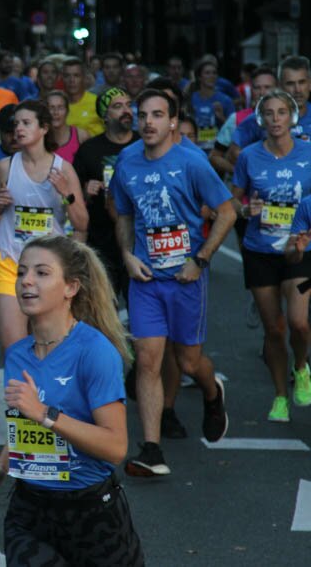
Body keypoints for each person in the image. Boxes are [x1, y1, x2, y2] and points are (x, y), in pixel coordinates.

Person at [0, 235, 144, 567]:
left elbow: (115, 447)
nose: (26, 281)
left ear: (71, 288)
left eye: (41, 273)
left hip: (93, 515)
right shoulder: (18, 354)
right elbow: (25, 427)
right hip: (30, 512)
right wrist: (0, 467)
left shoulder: (94, 352)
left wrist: (46, 415)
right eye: (22, 272)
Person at [111, 89, 232, 476]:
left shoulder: (192, 162)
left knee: (188, 362)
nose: (148, 122)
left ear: (173, 122)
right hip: (146, 279)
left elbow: (228, 212)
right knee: (147, 360)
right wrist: (128, 255)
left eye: (157, 115)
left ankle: (213, 395)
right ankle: (151, 450)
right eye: (143, 114)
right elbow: (124, 214)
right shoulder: (128, 161)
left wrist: (200, 259)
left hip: (185, 279)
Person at [234, 91, 311, 422]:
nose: (275, 119)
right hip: (260, 251)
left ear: (292, 118)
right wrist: (244, 208)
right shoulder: (249, 157)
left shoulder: (308, 152)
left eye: (281, 112)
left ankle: (301, 366)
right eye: (269, 113)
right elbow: (234, 201)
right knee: (274, 329)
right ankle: (280, 395)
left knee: (298, 322)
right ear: (260, 119)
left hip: (300, 250)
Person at [0, 100, 88, 349]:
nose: (18, 129)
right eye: (16, 124)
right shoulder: (5, 167)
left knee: (49, 345)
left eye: (26, 123)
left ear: (43, 128)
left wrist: (67, 194)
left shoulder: (63, 169)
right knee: (13, 348)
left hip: (50, 268)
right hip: (11, 264)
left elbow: (82, 223)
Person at [72, 87, 139, 298]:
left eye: (129, 105)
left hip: (139, 240)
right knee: (104, 309)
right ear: (104, 115)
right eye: (117, 106)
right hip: (101, 241)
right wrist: (85, 190)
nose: (126, 110)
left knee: (139, 310)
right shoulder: (89, 150)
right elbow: (71, 198)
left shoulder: (143, 144)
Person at [189, 59, 235, 150]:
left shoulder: (226, 100)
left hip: (217, 151)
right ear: (199, 77)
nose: (212, 76)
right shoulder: (191, 98)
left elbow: (234, 131)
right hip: (195, 149)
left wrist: (221, 117)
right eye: (207, 73)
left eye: (214, 73)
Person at [61, 59, 104, 136]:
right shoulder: (58, 105)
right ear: (62, 79)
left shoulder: (97, 102)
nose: (72, 80)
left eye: (76, 75)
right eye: (67, 76)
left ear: (84, 78)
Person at [45, 90, 90, 164]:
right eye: (51, 108)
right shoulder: (39, 138)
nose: (56, 112)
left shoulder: (82, 136)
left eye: (60, 107)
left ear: (67, 111)